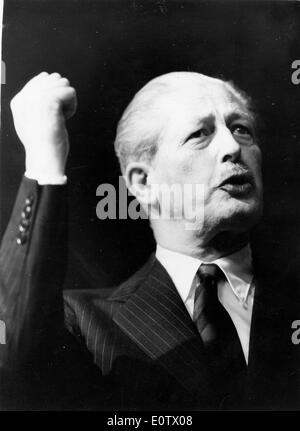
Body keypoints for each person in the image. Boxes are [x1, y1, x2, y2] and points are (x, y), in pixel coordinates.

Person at [0, 71, 299, 410]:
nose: (233, 147)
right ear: (142, 183)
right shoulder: (83, 321)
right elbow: (18, 353)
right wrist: (44, 159)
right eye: (200, 134)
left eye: (241, 129)